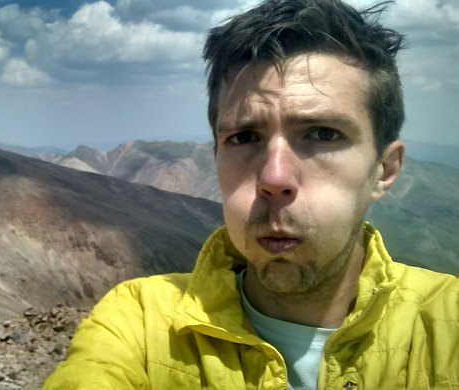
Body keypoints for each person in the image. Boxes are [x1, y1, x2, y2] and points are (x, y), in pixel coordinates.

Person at [43, 0, 458, 388]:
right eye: (244, 137)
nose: (274, 177)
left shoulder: (448, 322)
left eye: (322, 134)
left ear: (384, 170)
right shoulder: (138, 323)